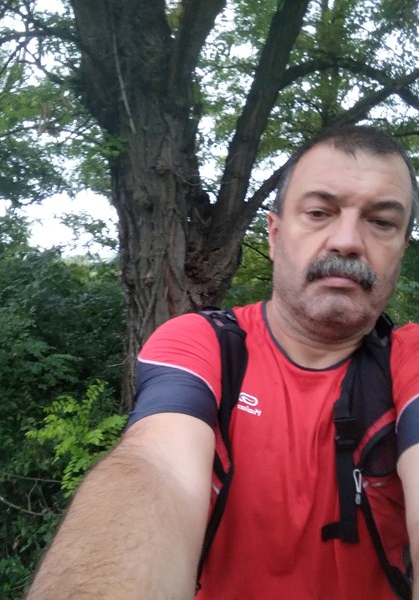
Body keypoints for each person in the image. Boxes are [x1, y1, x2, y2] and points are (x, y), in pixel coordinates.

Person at [25, 125, 419, 600]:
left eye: (381, 222)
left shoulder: (411, 359)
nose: (347, 241)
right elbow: (159, 467)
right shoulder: (203, 344)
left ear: (402, 248)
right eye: (319, 213)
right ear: (274, 234)